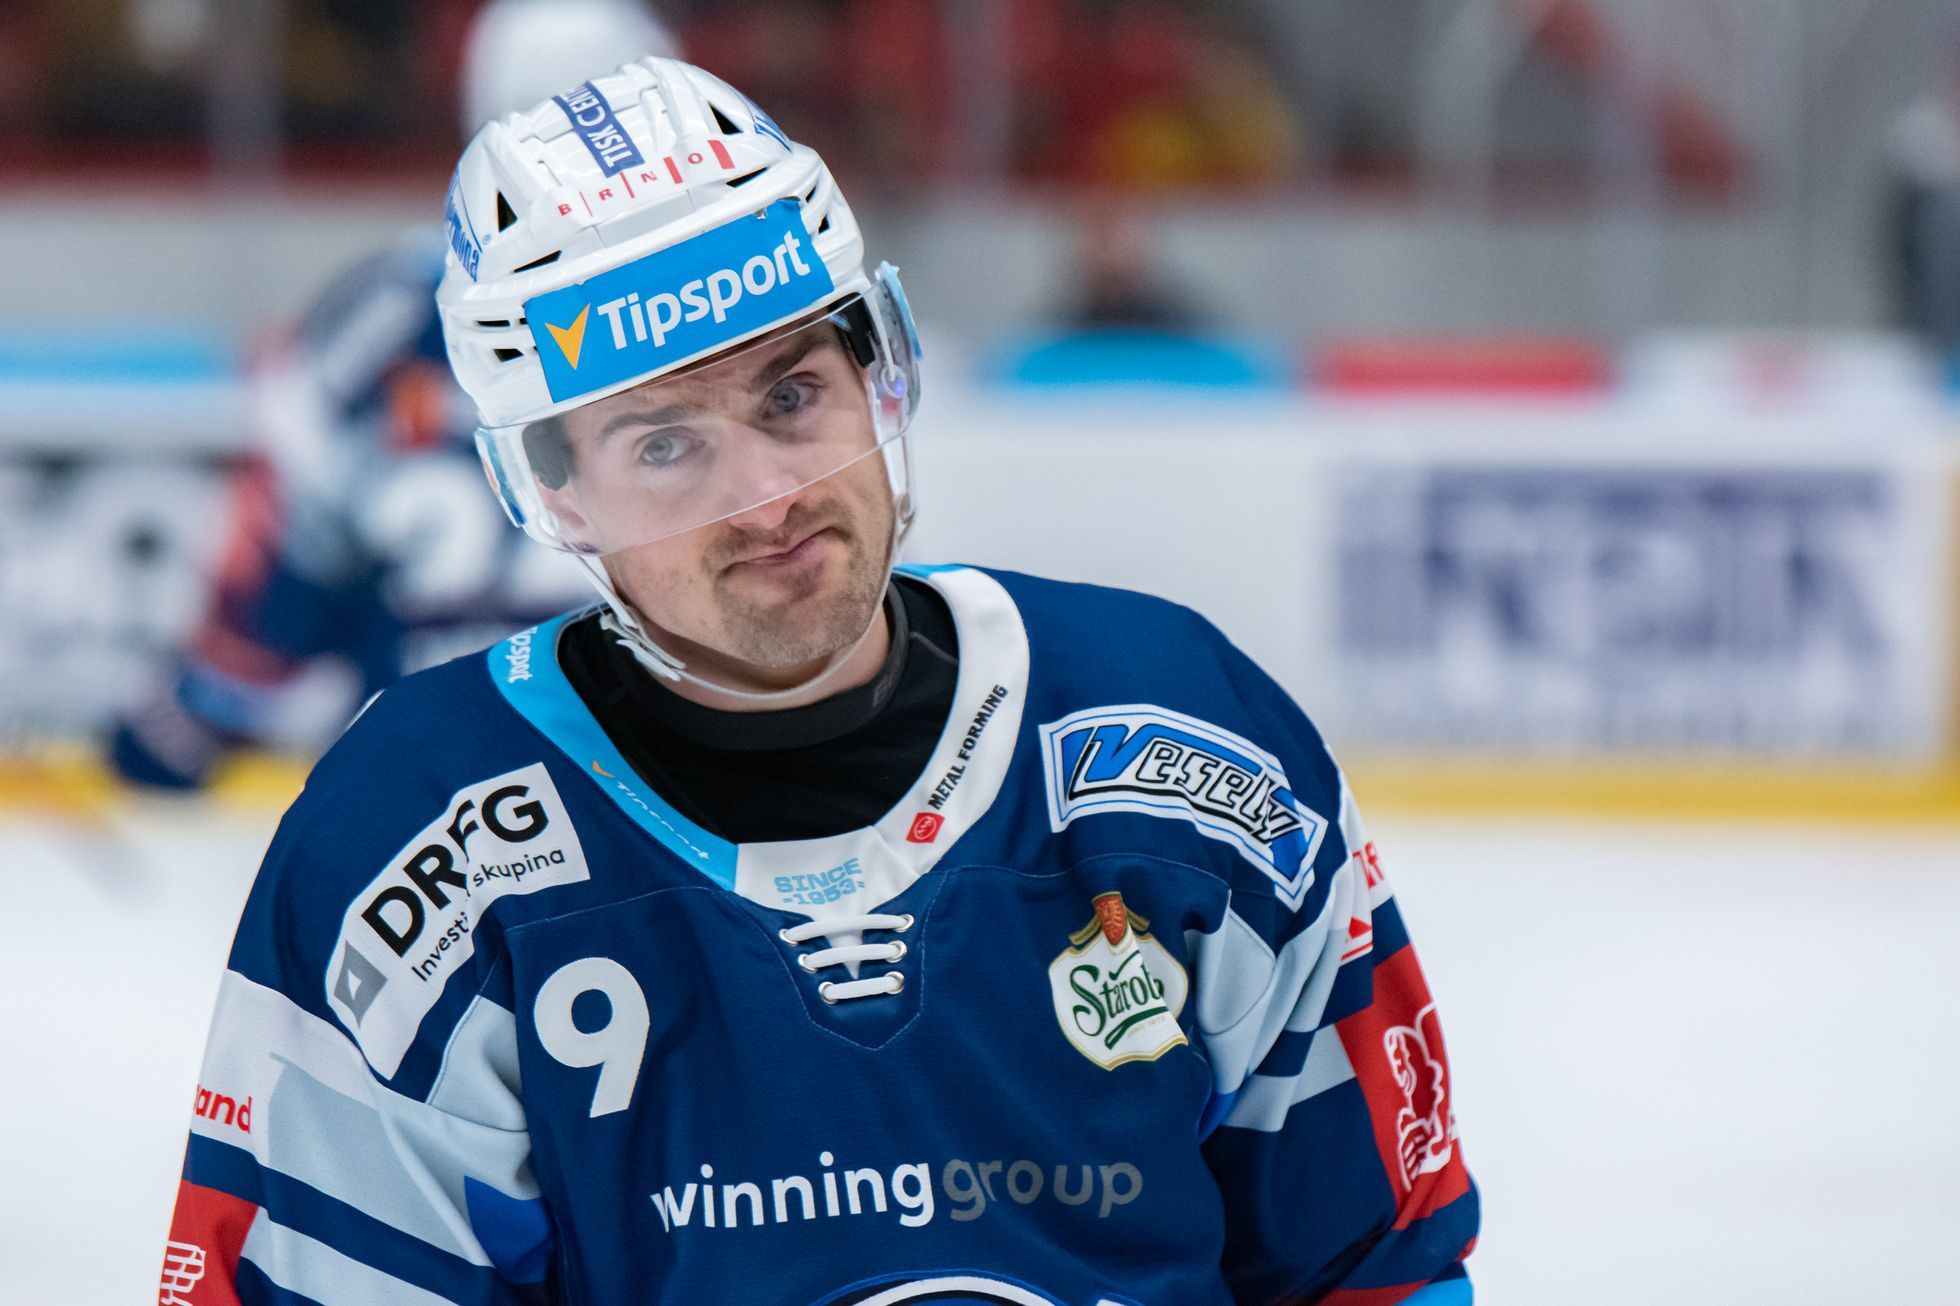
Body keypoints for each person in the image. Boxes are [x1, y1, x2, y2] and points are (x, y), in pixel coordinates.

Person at [160, 57, 1479, 1305]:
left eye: (791, 395)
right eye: (665, 443)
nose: (766, 499)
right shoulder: (410, 854)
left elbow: (1378, 1267)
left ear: (876, 368)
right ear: (554, 491)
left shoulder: (1181, 745)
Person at [109, 0, 679, 790]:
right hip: (671, 774)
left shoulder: (389, 313)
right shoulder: (730, 296)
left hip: (428, 789)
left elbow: (283, 563)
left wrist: (198, 711)